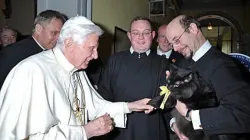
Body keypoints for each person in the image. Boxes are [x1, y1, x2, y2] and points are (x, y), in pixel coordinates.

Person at [0, 15, 154, 140]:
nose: (95, 56)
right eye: (91, 48)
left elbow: (95, 106)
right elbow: (26, 136)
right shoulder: (32, 71)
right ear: (69, 43)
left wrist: (131, 106)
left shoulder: (78, 71)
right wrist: (85, 132)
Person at [166, 15, 250, 139]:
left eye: (177, 40)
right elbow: (175, 103)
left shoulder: (222, 64)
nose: (175, 48)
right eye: (172, 44)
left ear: (193, 28)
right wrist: (175, 125)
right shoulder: (182, 64)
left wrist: (189, 114)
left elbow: (243, 115)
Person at [97, 16, 170, 140]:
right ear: (129, 36)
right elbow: (104, 94)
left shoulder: (163, 63)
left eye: (146, 33)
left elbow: (167, 97)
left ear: (152, 35)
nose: (141, 37)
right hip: (120, 128)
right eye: (136, 33)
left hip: (151, 128)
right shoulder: (114, 60)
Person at [0, 10, 66, 89]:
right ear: (38, 29)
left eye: (60, 34)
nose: (58, 38)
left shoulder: (56, 52)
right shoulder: (12, 53)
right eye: (54, 33)